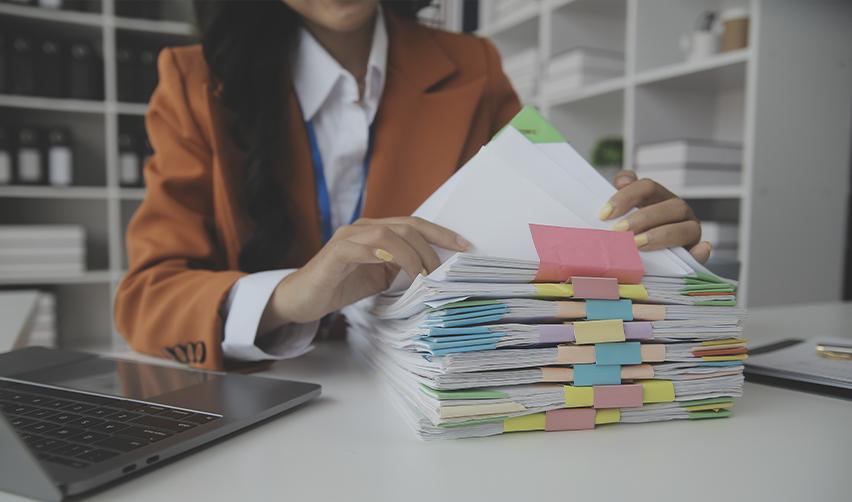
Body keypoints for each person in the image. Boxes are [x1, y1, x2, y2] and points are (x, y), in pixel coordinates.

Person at [115, 0, 712, 371]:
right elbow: (147, 297)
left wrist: (629, 239)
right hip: (267, 407)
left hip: (437, 393)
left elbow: (531, 245)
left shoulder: (472, 66)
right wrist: (293, 297)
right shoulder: (195, 83)